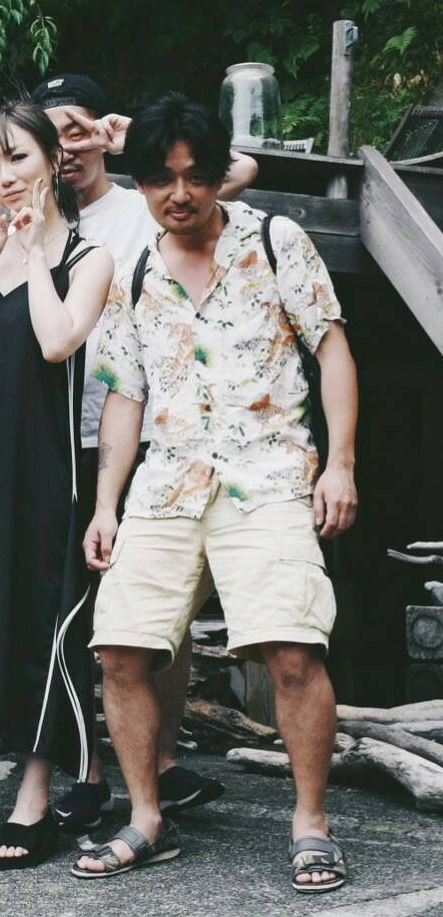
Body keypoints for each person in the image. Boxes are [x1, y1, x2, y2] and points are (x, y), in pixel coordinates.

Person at [73, 91, 358, 888]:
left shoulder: (274, 239)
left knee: (292, 651)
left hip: (268, 474)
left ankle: (311, 823)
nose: (180, 194)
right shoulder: (134, 269)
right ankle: (147, 817)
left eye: (195, 175)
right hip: (167, 484)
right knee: (120, 649)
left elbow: (331, 348)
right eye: (161, 179)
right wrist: (106, 504)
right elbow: (125, 394)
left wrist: (340, 462)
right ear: (138, 183)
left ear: (216, 173)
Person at [30, 73, 258, 830]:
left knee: (165, 605)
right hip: (59, 431)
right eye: (51, 132)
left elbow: (235, 170)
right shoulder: (35, 213)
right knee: (73, 607)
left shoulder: (140, 202)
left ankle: (160, 760)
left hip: (143, 431)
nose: (66, 146)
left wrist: (139, 145)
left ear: (102, 131)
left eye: (78, 128)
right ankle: (88, 769)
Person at [0, 100, 113, 868]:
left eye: (16, 156)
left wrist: (32, 247)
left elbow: (57, 340)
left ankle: (35, 795)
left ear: (51, 160)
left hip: (43, 466)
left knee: (42, 617)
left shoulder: (87, 257)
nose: (4, 175)